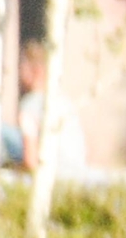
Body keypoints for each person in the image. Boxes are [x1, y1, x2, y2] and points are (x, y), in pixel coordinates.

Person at [15, 42, 86, 178]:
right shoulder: (64, 101)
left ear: (35, 70)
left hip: (52, 175)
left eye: (22, 66)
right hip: (77, 174)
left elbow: (30, 160)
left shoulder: (30, 105)